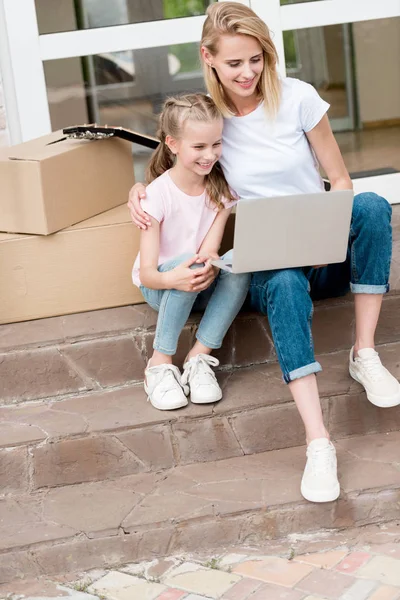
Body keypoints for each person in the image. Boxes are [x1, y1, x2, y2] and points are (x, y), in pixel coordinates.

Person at [128, 2, 399, 502]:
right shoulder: (211, 122)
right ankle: (319, 443)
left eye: (256, 58)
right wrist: (136, 193)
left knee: (372, 205)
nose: (248, 72)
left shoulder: (297, 99)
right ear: (207, 58)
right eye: (234, 63)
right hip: (277, 268)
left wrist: (326, 231)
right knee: (281, 281)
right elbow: (175, 164)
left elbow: (338, 179)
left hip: (324, 254)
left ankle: (364, 353)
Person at [132, 92, 250, 411]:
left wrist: (214, 264)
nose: (209, 155)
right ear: (172, 144)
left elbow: (209, 251)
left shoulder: (220, 191)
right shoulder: (155, 197)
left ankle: (199, 358)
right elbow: (148, 275)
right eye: (198, 147)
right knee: (190, 264)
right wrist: (183, 275)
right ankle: (159, 364)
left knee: (238, 266)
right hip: (159, 285)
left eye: (216, 144)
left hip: (197, 282)